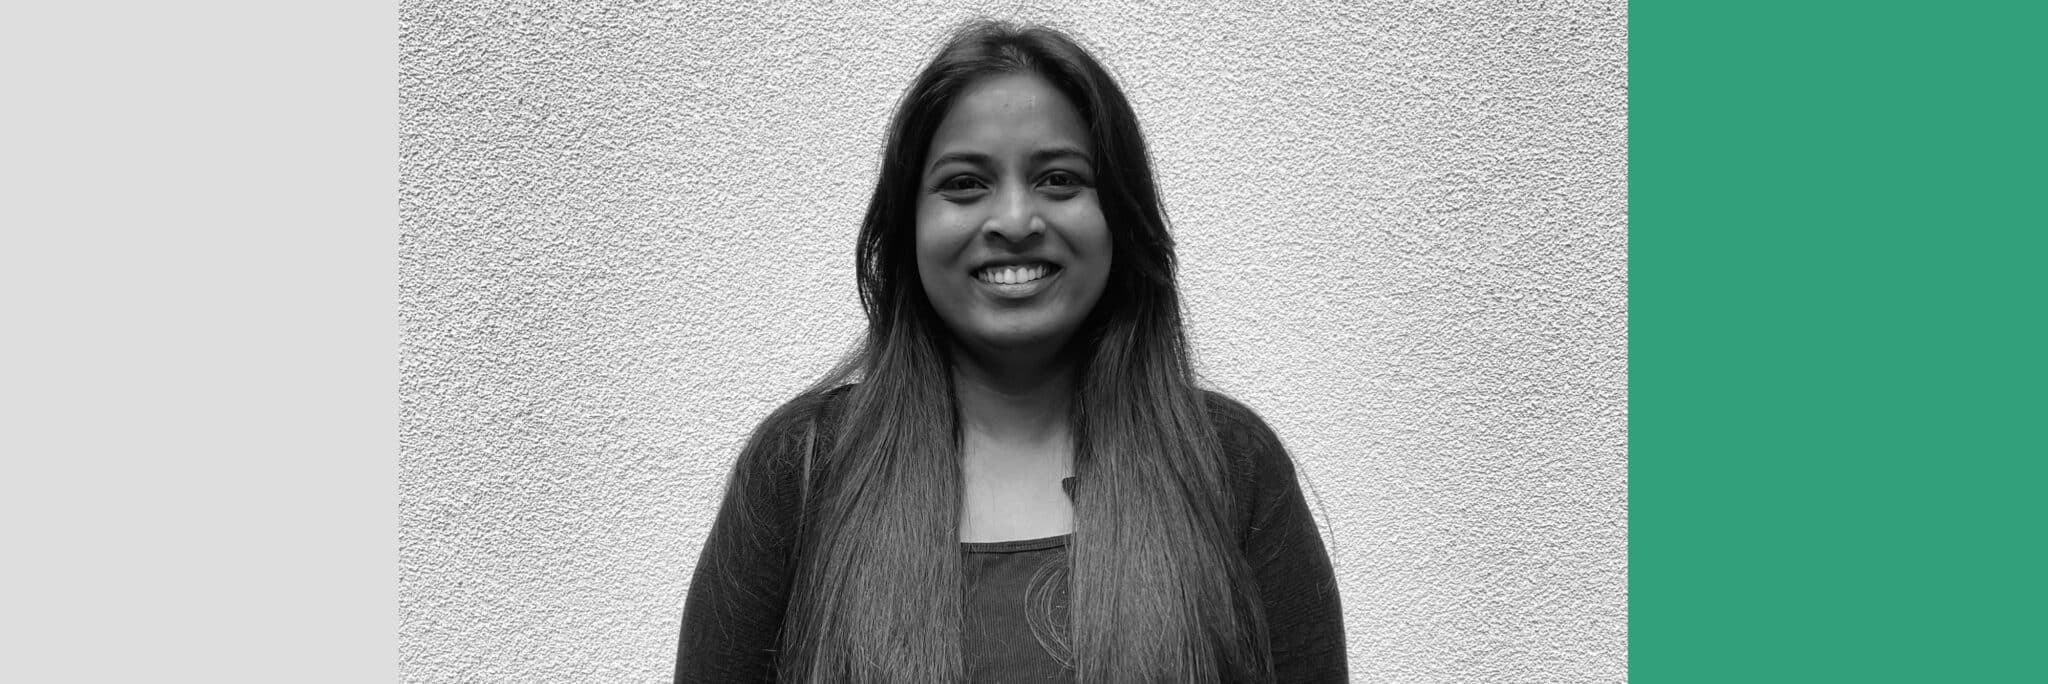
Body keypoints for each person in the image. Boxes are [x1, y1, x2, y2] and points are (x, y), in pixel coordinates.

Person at [676, 20, 1345, 683]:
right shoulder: (801, 472)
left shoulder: (1228, 467)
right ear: (906, 227)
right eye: (965, 184)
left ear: (1120, 216)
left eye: (1059, 179)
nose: (1017, 221)